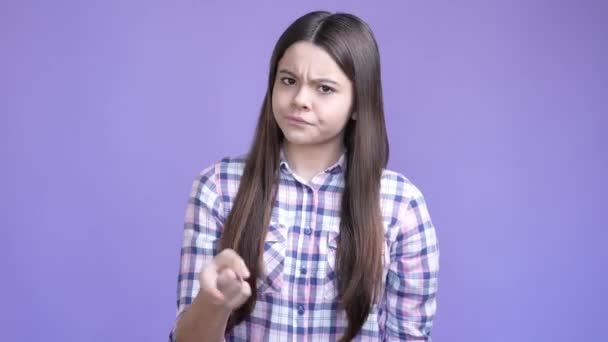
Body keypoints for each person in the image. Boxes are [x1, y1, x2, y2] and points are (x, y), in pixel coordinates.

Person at [169, 11, 439, 342]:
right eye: (288, 80)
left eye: (324, 88)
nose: (300, 100)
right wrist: (215, 301)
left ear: (358, 104)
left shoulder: (401, 206)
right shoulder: (218, 188)